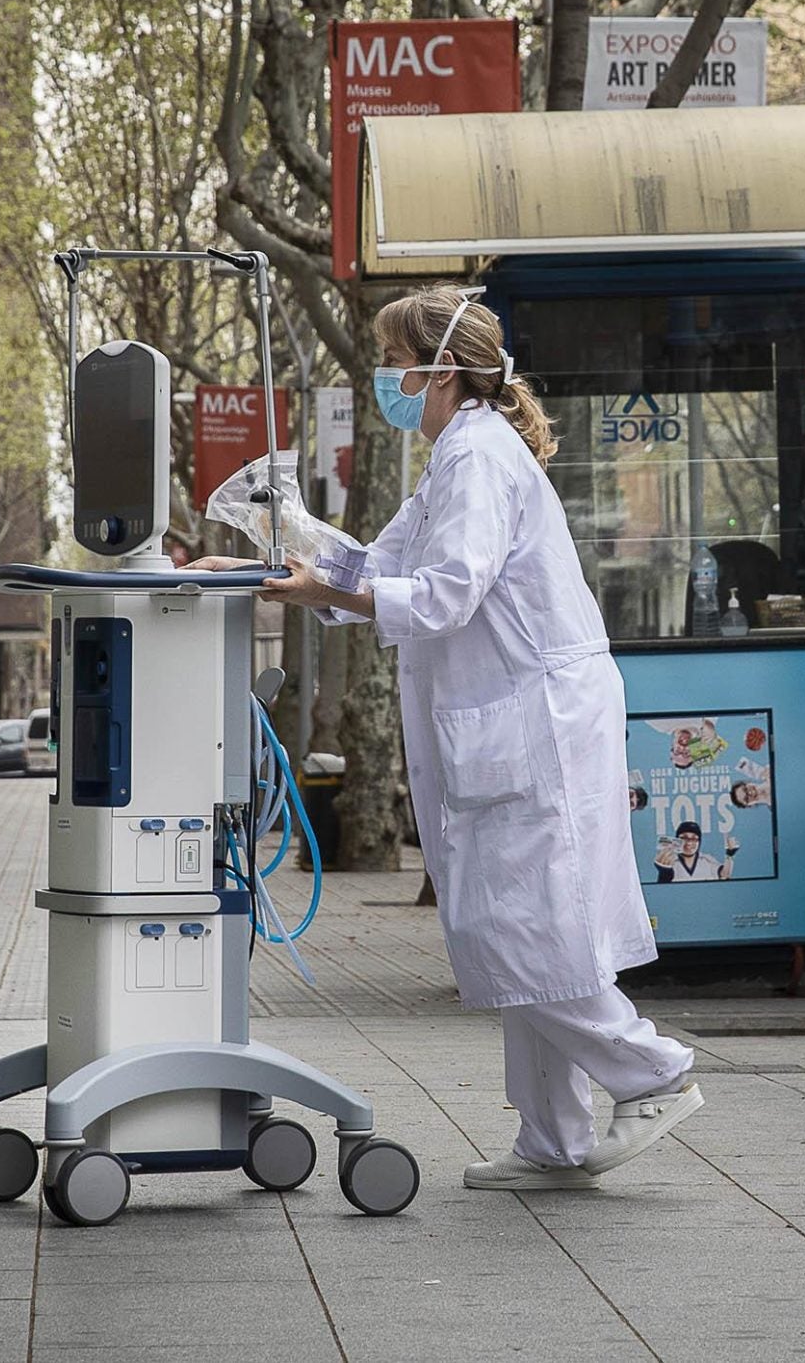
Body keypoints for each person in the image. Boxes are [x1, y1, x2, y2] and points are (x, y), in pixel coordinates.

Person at [191, 284, 701, 1192]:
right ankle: (556, 1141)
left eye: (394, 362)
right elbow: (382, 566)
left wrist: (320, 592)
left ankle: (652, 1075)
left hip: (532, 720)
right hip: (516, 714)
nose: (386, 377)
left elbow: (443, 594)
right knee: (522, 929)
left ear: (441, 373)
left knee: (526, 927)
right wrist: (269, 562)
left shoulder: (478, 460)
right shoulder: (456, 457)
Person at [654, 821, 726, 882]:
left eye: (694, 838)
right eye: (684, 838)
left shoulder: (707, 860)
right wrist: (663, 875)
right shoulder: (669, 862)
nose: (689, 843)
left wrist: (730, 855)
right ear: (677, 840)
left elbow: (724, 875)